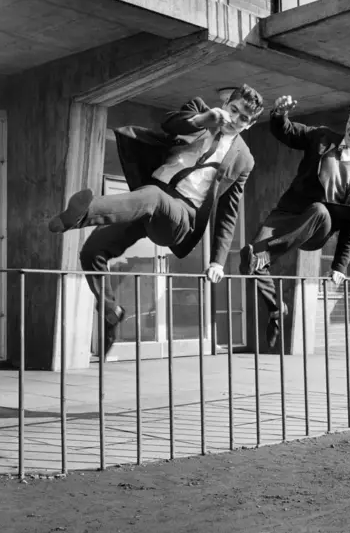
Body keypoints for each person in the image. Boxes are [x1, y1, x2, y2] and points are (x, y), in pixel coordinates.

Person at [49, 85, 264, 357]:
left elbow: (229, 211)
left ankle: (80, 214)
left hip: (181, 217)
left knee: (152, 197)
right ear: (226, 103)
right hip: (148, 202)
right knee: (93, 251)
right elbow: (170, 124)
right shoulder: (200, 110)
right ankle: (111, 312)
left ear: (250, 124)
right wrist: (204, 120)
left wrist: (218, 261)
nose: (234, 120)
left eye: (243, 118)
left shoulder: (244, 160)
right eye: (233, 110)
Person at [240, 95, 350, 350]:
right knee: (252, 259)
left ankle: (267, 250)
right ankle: (275, 309)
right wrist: (279, 114)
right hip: (287, 214)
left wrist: (340, 265)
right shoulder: (323, 138)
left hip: (319, 227)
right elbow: (287, 133)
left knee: (317, 210)